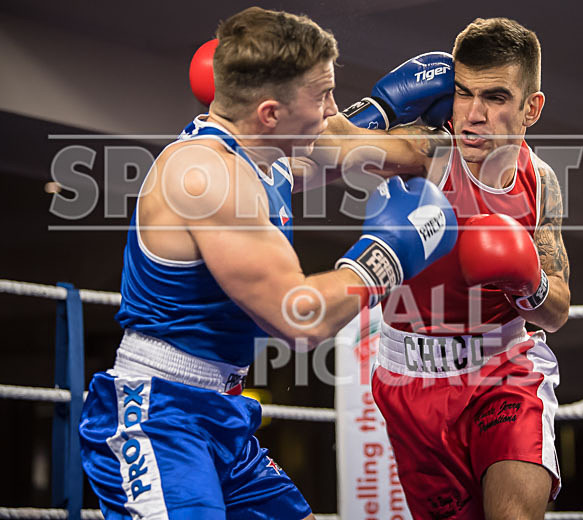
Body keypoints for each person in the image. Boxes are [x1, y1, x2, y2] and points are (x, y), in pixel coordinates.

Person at [78, 7, 457, 520]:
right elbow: (300, 319)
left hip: (222, 414)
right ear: (271, 113)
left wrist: (418, 128)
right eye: (323, 96)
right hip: (158, 418)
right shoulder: (207, 179)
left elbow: (351, 152)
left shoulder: (261, 156)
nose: (334, 109)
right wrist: (389, 254)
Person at [342, 18, 571, 519]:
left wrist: (528, 280)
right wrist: (379, 110)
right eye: (463, 93)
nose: (473, 114)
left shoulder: (540, 180)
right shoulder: (429, 152)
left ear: (531, 108)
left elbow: (556, 312)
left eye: (495, 97)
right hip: (411, 382)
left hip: (504, 368)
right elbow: (318, 155)